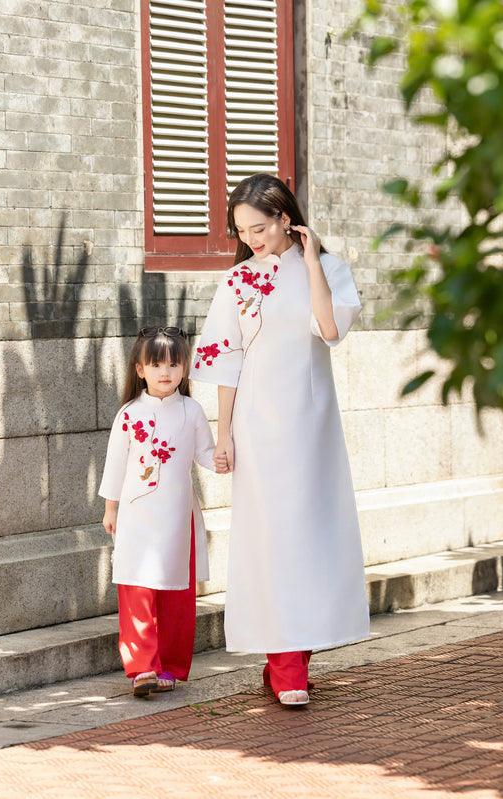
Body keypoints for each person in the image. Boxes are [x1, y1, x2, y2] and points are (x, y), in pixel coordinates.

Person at [192, 173, 370, 706]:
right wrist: (222, 435)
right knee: (270, 538)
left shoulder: (331, 269)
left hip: (311, 425)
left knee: (310, 536)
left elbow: (330, 330)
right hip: (256, 424)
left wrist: (312, 261)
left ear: (285, 218)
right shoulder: (238, 282)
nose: (251, 239)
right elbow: (225, 361)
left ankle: (294, 657)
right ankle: (285, 664)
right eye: (242, 231)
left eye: (260, 227)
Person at [99, 326, 216, 697]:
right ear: (139, 369)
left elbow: (208, 456)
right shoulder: (129, 415)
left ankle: (170, 666)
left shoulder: (192, 411)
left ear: (185, 368)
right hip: (135, 516)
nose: (165, 371)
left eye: (173, 363)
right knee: (137, 588)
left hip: (178, 517)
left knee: (174, 593)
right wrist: (110, 508)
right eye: (156, 363)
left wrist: (232, 453)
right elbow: (115, 465)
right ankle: (142, 668)